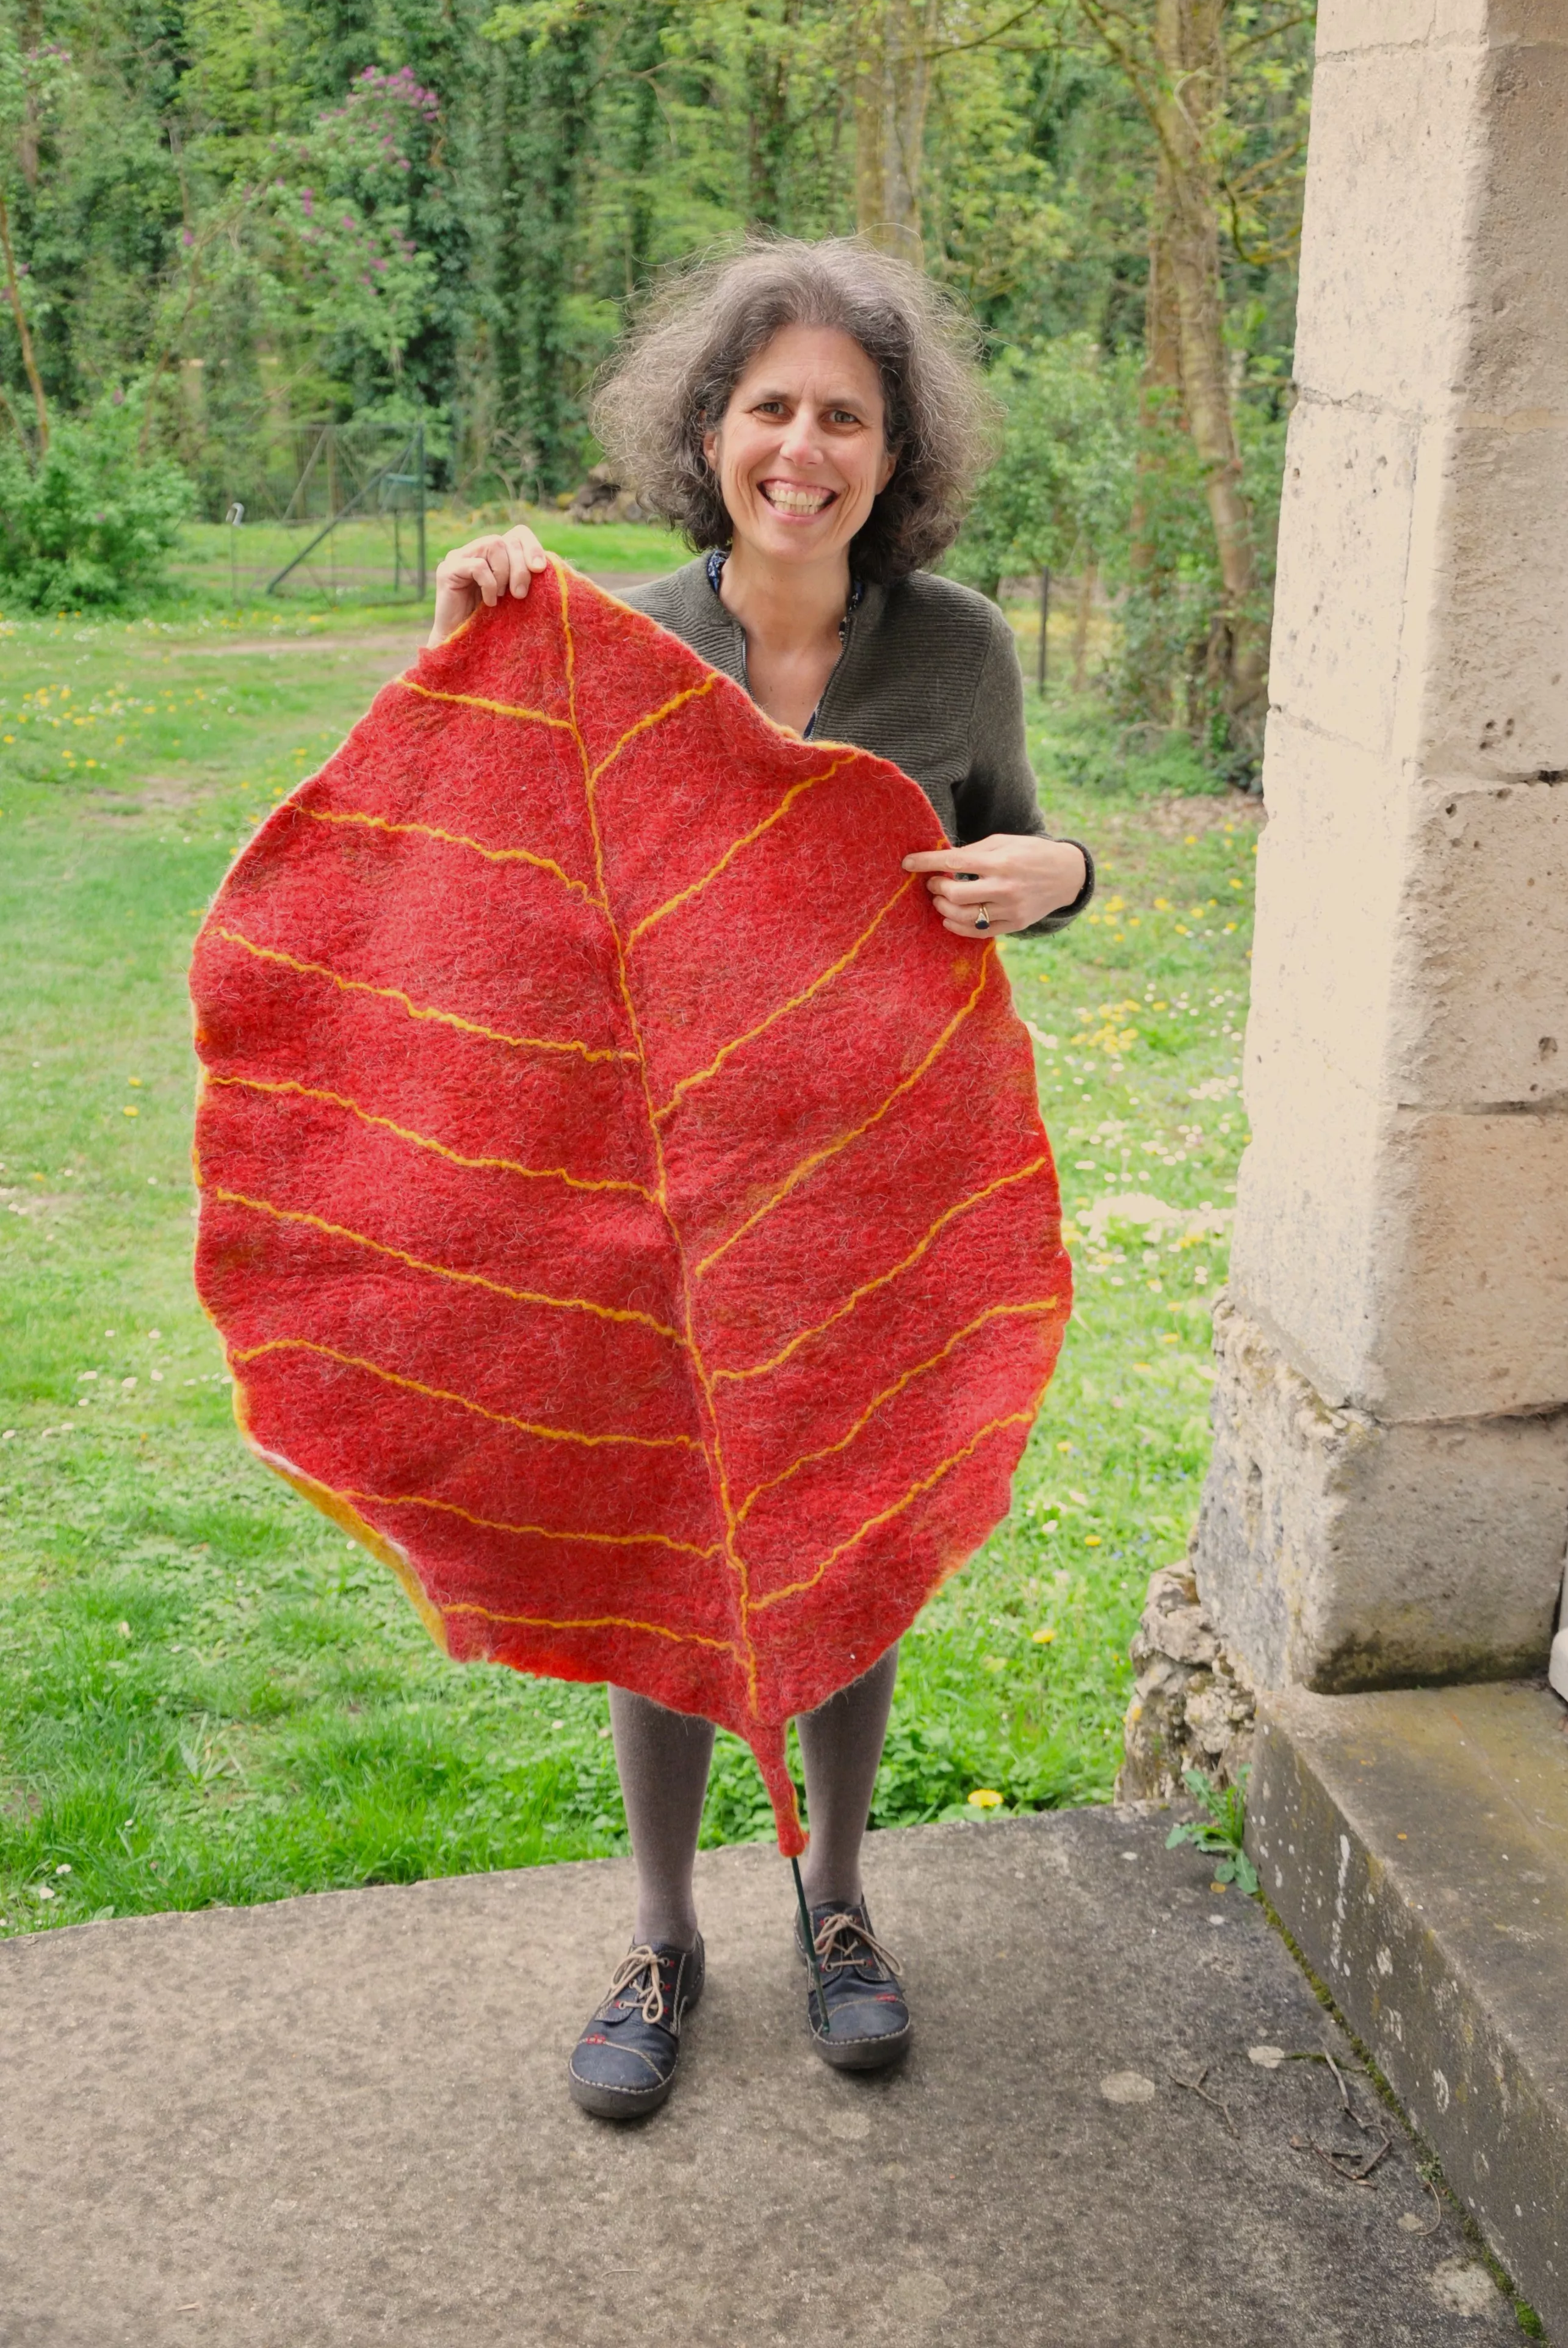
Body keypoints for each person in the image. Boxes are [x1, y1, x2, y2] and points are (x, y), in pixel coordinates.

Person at [430, 236, 1093, 2122]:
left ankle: (839, 1903)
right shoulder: (611, 636)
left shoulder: (952, 645)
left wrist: (1065, 881)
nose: (804, 447)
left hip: (876, 1180)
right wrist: (466, 624)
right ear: (709, 430)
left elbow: (1013, 851)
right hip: (653, 1192)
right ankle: (661, 1932)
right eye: (772, 408)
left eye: (848, 419)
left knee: (848, 1544)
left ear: (899, 457)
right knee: (669, 1553)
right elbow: (462, 862)